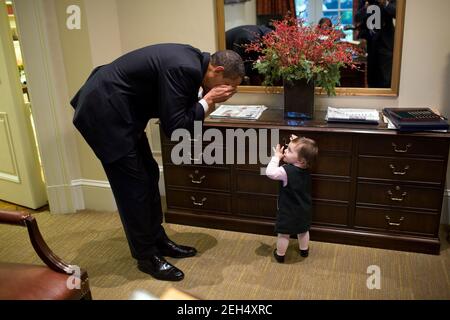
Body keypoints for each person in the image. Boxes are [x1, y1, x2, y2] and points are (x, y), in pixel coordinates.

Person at [70, 44, 244, 281]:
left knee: (149, 174)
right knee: (133, 188)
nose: (226, 93)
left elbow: (175, 110)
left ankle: (158, 239)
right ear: (218, 70)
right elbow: (175, 129)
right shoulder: (185, 67)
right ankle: (146, 256)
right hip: (105, 112)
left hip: (125, 112)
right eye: (227, 86)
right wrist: (208, 101)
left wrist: (205, 99)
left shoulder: (194, 63)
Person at [265, 134, 318, 263]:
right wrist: (297, 141)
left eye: (289, 150)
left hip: (288, 211)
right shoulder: (306, 168)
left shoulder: (285, 171)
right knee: (303, 230)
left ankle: (280, 254)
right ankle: (304, 250)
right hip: (304, 209)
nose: (285, 151)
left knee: (284, 234)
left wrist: (276, 157)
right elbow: (306, 150)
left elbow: (270, 172)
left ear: (300, 160)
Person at [355, 0, 396, 88]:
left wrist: (385, 3)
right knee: (371, 80)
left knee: (386, 79)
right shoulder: (364, 1)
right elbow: (357, 18)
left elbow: (397, 13)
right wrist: (365, 7)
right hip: (369, 45)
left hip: (385, 45)